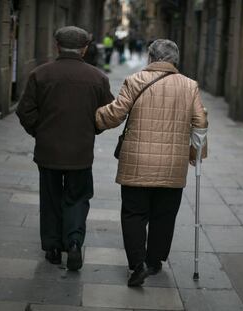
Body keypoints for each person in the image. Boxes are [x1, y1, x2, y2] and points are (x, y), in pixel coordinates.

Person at [95, 39, 208, 286]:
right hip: (172, 165)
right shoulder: (190, 86)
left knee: (134, 213)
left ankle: (137, 264)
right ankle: (154, 262)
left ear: (150, 57)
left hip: (137, 161)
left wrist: (95, 118)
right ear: (175, 60)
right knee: (164, 215)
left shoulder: (135, 81)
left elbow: (115, 113)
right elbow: (200, 123)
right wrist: (196, 153)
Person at [16, 26, 114, 271]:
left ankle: (52, 248)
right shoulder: (98, 78)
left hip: (48, 151)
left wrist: (40, 131)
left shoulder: (40, 74)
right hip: (80, 152)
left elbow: (24, 110)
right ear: (84, 48)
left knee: (50, 199)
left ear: (56, 46)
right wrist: (92, 130)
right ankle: (73, 243)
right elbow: (108, 113)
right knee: (77, 198)